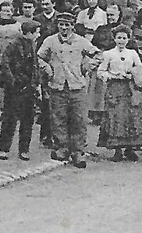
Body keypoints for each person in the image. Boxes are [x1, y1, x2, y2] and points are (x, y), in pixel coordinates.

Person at [37, 14, 97, 167]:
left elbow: (98, 55)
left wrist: (87, 66)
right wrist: (47, 68)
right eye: (61, 24)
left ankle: (78, 152)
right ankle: (62, 148)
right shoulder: (50, 41)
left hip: (77, 86)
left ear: (72, 26)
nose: (64, 28)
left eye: (67, 25)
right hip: (57, 85)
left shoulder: (81, 41)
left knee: (79, 120)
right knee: (58, 119)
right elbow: (38, 57)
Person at [95, 28, 142, 161]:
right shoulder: (108, 54)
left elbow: (140, 69)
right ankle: (117, 150)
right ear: (114, 38)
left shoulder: (132, 53)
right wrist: (113, 75)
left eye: (124, 38)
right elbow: (100, 72)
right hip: (114, 89)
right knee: (116, 117)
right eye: (119, 38)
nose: (121, 41)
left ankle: (130, 149)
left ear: (128, 39)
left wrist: (132, 74)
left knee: (131, 117)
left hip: (130, 88)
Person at [0, 18, 40, 161]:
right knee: (10, 119)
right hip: (14, 89)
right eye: (37, 32)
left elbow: (35, 67)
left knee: (28, 120)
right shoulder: (13, 45)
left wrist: (35, 84)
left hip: (29, 88)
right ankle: (4, 149)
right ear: (30, 33)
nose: (38, 34)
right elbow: (5, 65)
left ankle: (24, 150)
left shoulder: (32, 45)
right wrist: (13, 82)